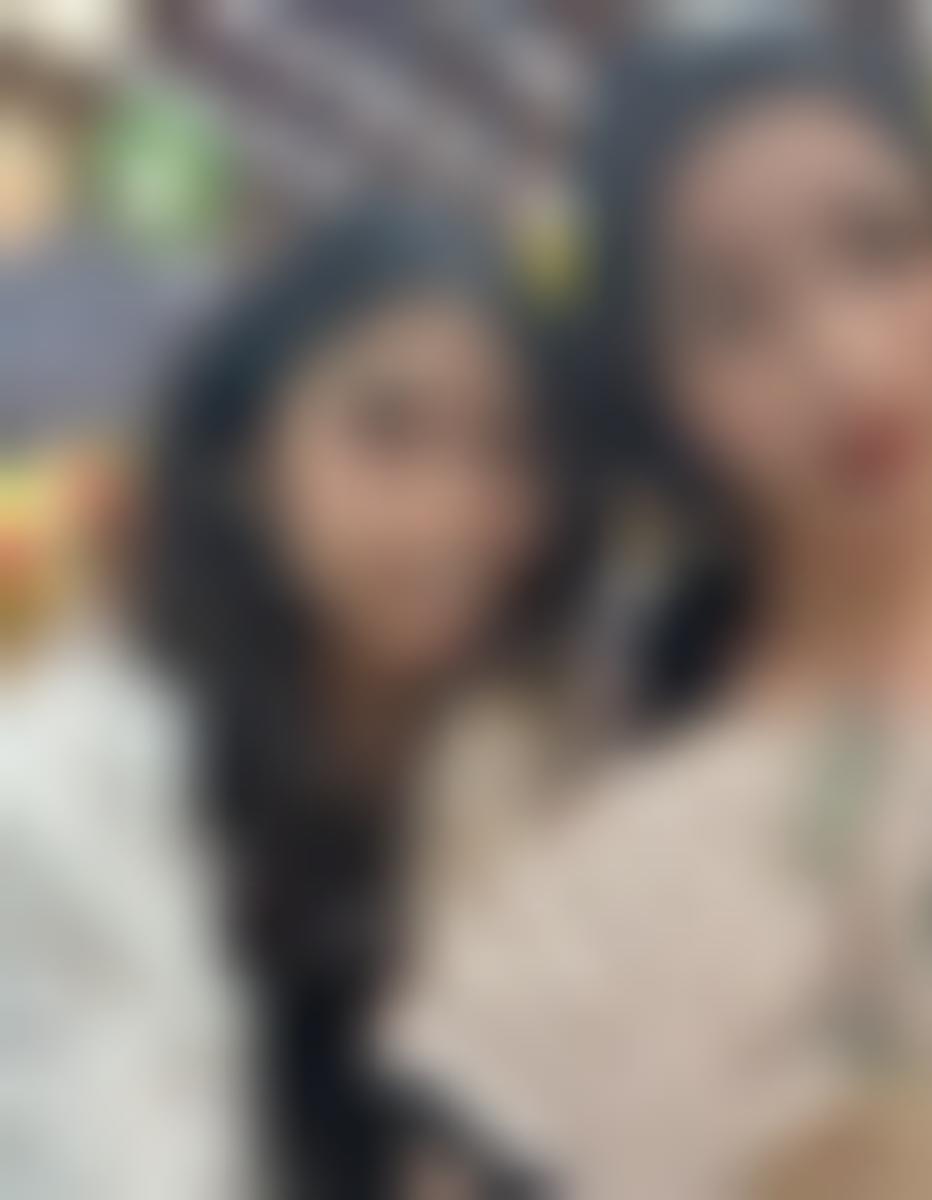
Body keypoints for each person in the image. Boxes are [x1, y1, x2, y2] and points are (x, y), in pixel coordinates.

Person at [387, 38, 932, 1199]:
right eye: (733, 316)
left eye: (882, 247)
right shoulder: (575, 797)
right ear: (663, 395)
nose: (843, 359)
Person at [150, 201, 583, 1200]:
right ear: (247, 459)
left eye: (509, 447)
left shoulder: (554, 759)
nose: (452, 510)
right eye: (385, 432)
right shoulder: (127, 803)